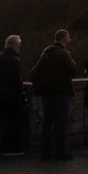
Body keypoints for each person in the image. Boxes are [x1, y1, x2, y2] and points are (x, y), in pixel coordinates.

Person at [30, 29, 76, 161]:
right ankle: (60, 152)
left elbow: (34, 72)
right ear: (64, 39)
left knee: (47, 122)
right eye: (68, 38)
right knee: (61, 122)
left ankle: (46, 152)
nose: (68, 41)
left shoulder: (45, 52)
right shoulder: (64, 53)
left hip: (47, 93)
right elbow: (73, 70)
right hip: (61, 92)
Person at [0, 34, 27, 156]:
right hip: (12, 97)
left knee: (5, 123)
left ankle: (5, 148)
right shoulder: (14, 60)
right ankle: (12, 149)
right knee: (14, 123)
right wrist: (19, 91)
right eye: (19, 45)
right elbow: (17, 81)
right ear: (14, 45)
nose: (19, 48)